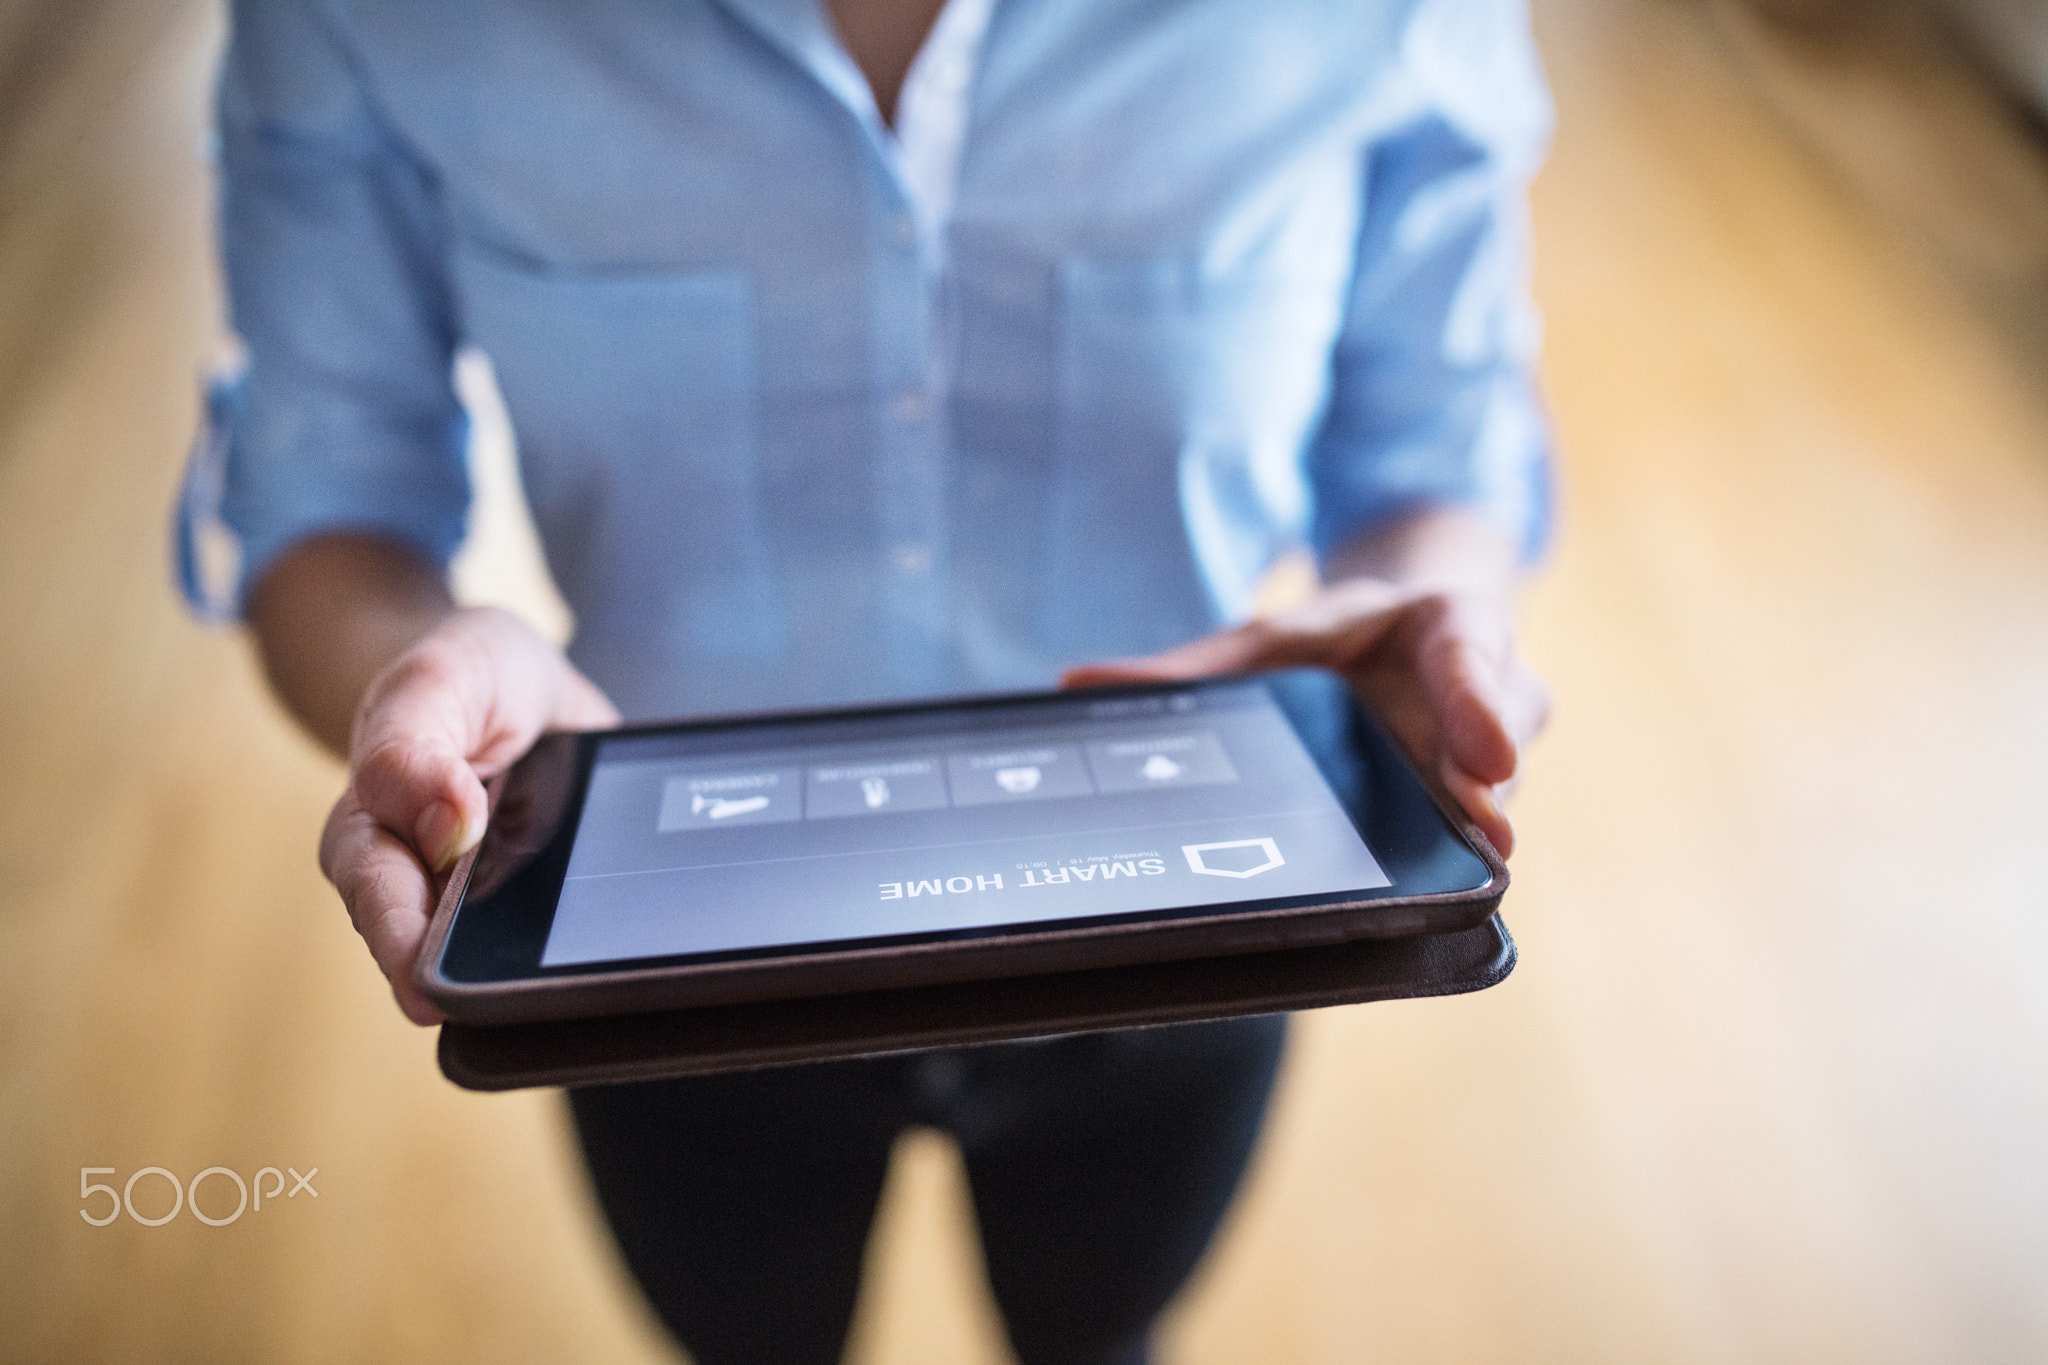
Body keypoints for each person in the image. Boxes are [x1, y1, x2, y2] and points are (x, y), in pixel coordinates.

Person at [181, 1, 1553, 1361]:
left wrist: (1428, 601)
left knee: (1107, 1328)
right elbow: (326, 502)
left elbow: (1430, 453)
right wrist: (408, 676)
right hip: (659, 955)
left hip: (1199, 926)